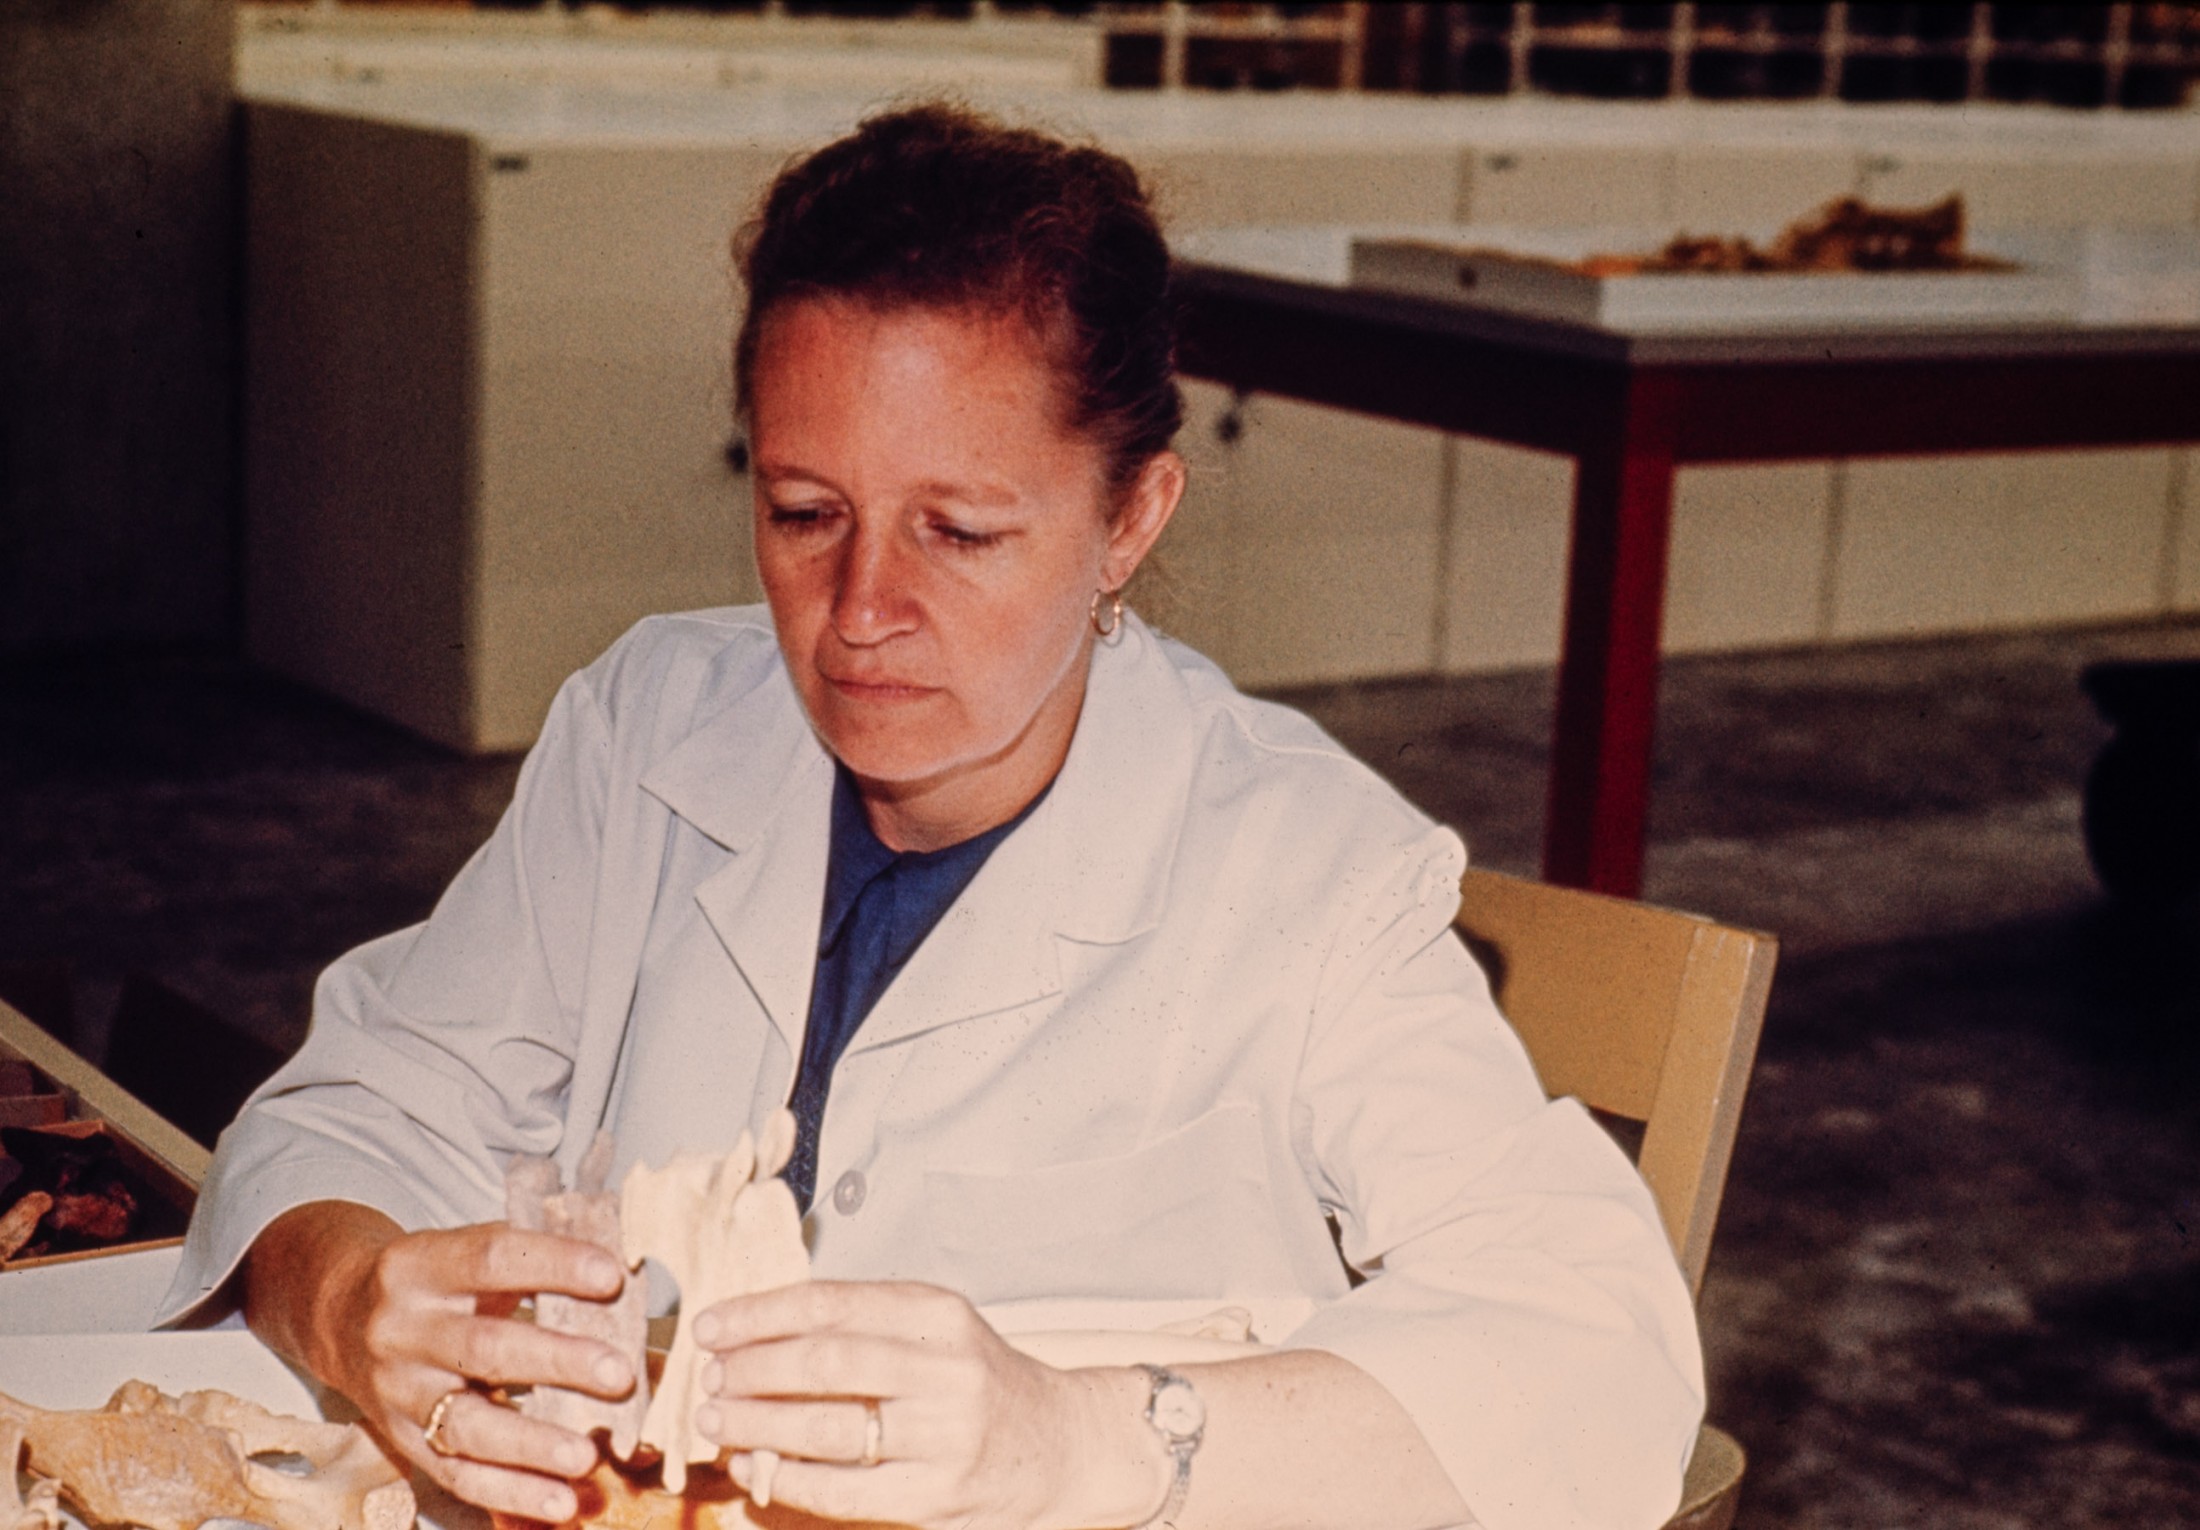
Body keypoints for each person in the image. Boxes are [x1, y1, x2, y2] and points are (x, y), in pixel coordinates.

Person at [160, 104, 1703, 1530]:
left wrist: (1077, 1435)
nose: (859, 613)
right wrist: (352, 1293)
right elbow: (353, 1109)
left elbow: (1601, 1354)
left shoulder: (1304, 871)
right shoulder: (652, 728)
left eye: (960, 531)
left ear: (1130, 519)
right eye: (802, 512)